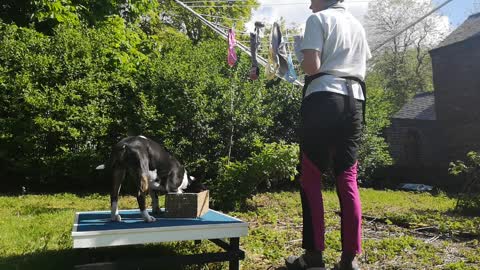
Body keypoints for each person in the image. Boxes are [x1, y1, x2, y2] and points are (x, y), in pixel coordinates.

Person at [286, 0, 371, 269]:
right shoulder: (357, 25)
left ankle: (313, 257)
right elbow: (360, 63)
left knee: (311, 176)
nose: (310, 5)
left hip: (323, 98)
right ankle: (349, 260)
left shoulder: (318, 20)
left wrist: (302, 51)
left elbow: (312, 67)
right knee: (347, 177)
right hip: (354, 102)